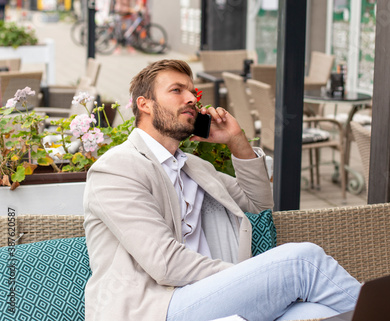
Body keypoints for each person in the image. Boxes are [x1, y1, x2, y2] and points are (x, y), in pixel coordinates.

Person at [83, 59, 361, 321]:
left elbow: (259, 203)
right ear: (145, 104)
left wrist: (236, 140)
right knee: (303, 261)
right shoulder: (117, 168)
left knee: (315, 311)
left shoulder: (193, 167)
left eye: (192, 92)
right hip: (157, 308)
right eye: (176, 91)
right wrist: (249, 277)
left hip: (211, 301)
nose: (191, 98)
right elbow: (165, 263)